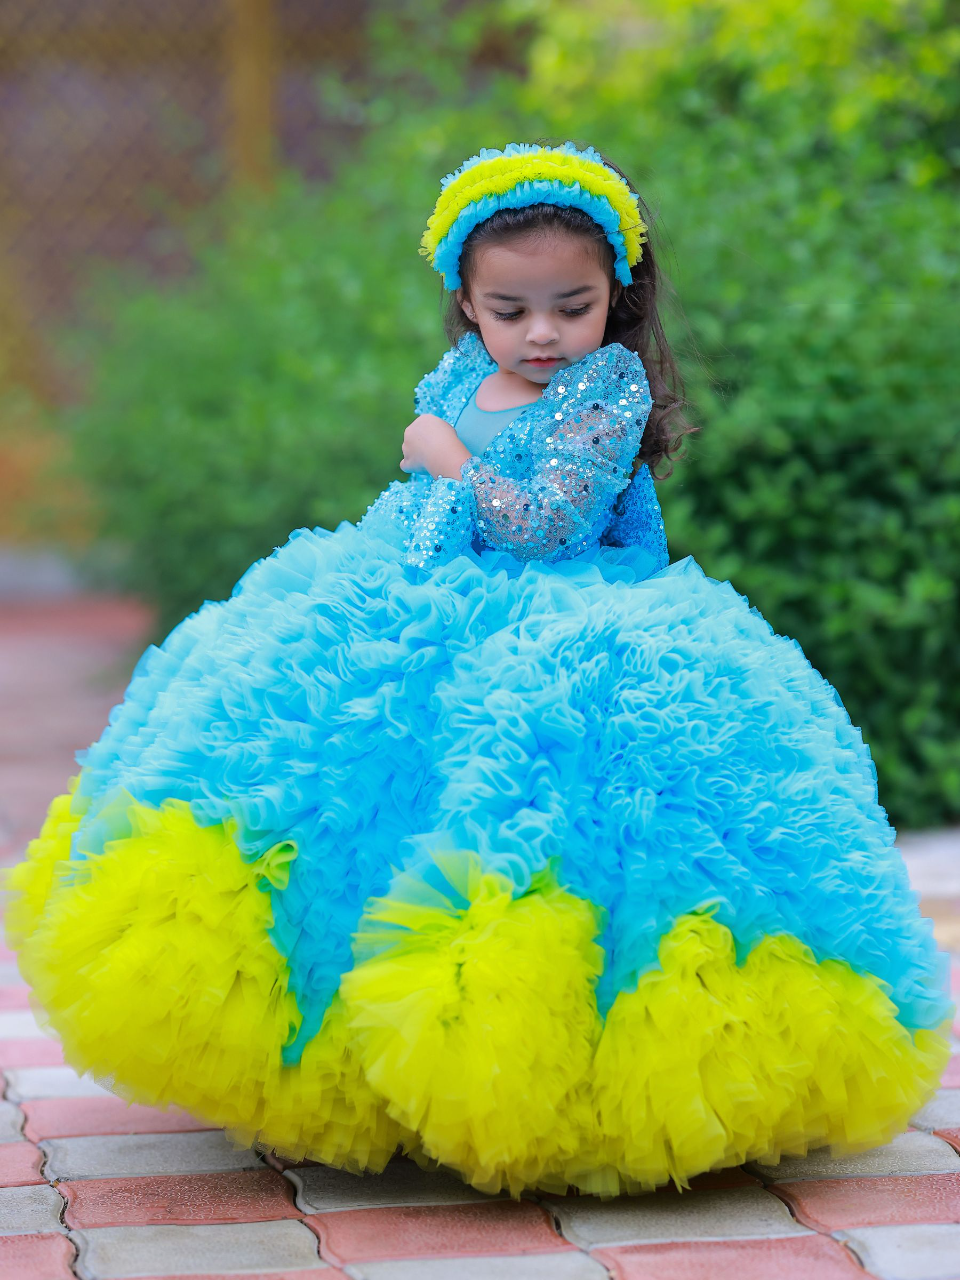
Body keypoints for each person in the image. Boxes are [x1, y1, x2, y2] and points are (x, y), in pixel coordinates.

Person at [7, 140, 951, 1199]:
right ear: (466, 300)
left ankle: (551, 1059)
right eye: (512, 309)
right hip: (418, 593)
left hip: (567, 602)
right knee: (334, 763)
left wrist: (450, 461)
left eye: (571, 303)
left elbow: (548, 523)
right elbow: (421, 510)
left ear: (616, 297)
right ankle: (332, 1053)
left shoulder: (606, 389)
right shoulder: (460, 374)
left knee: (544, 786)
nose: (542, 331)